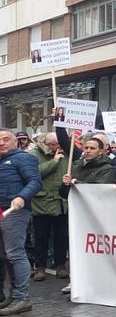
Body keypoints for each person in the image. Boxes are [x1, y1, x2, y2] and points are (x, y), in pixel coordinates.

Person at [0, 129, 41, 314]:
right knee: (6, 256)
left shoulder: (23, 158)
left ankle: (22, 297)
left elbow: (34, 181)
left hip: (15, 211)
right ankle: (14, 295)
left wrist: (22, 196)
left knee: (15, 253)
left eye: (5, 139)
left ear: (15, 141)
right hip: (2, 212)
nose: (1, 143)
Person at [30, 134, 68, 284]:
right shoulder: (34, 154)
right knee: (41, 237)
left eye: (59, 144)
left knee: (61, 237)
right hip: (42, 203)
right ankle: (40, 267)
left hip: (60, 202)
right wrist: (54, 162)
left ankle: (60, 265)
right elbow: (34, 173)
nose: (57, 148)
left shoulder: (65, 153)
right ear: (47, 143)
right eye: (54, 145)